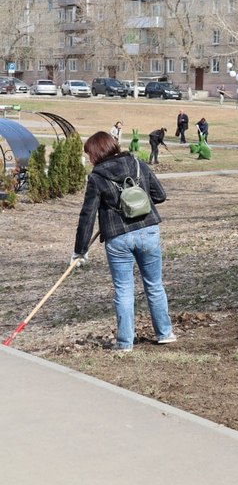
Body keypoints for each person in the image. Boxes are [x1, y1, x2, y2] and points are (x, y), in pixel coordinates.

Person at [72, 131, 176, 352]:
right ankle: (165, 333)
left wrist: (80, 251)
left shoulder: (96, 177)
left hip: (118, 238)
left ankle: (125, 343)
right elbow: (160, 195)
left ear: (97, 153)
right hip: (148, 231)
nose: (90, 159)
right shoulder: (137, 164)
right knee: (154, 285)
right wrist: (138, 201)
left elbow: (87, 215)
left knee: (124, 289)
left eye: (90, 154)